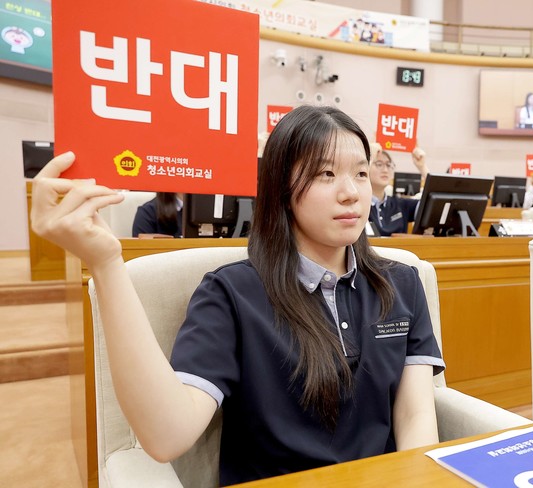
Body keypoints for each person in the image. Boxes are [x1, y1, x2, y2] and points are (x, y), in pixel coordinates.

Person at [30, 105, 444, 485]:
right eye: (325, 174)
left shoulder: (403, 283)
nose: (351, 191)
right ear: (281, 189)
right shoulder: (232, 294)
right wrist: (106, 265)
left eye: (360, 173)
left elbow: (415, 416)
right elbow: (167, 435)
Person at [368, 145, 429, 236]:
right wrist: (369, 157)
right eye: (379, 164)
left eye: (388, 165)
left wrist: (422, 167)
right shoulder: (359, 204)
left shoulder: (400, 204)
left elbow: (434, 203)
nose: (385, 170)